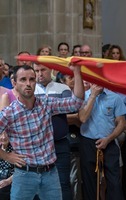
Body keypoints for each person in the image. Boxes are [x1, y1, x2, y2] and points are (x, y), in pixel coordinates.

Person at [0, 64, 84, 200]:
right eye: (23, 80)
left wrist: (77, 72)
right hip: (24, 175)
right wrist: (6, 156)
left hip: (50, 173)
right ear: (14, 83)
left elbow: (76, 103)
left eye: (32, 79)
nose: (28, 84)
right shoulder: (9, 113)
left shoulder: (46, 103)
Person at [78, 84, 126, 200]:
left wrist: (109, 138)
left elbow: (122, 123)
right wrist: (93, 96)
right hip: (88, 141)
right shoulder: (82, 97)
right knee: (89, 180)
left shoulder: (115, 98)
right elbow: (83, 118)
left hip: (109, 141)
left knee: (114, 181)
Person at [33, 63, 74, 200]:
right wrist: (54, 107)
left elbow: (69, 107)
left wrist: (41, 109)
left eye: (43, 70)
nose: (39, 73)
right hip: (37, 146)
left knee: (63, 182)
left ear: (50, 69)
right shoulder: (30, 90)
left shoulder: (63, 88)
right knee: (38, 184)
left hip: (59, 143)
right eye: (36, 70)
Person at [0, 132, 14, 200]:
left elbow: (21, 171)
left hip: (11, 180)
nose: (3, 137)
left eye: (6, 134)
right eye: (1, 134)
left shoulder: (16, 150)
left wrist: (8, 181)